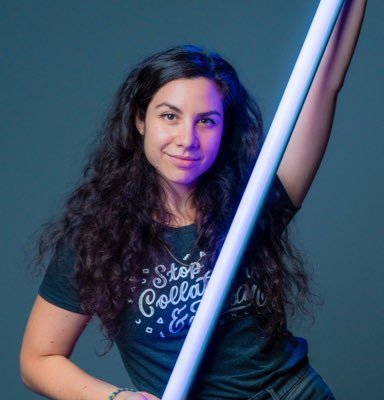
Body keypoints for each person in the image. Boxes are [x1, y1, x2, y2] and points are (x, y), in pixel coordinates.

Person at [20, 2, 366, 399]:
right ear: (140, 119)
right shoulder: (97, 238)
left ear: (224, 128)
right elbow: (38, 360)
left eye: (207, 121)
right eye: (170, 116)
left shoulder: (252, 201)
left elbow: (325, 80)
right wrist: (117, 399)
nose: (188, 139)